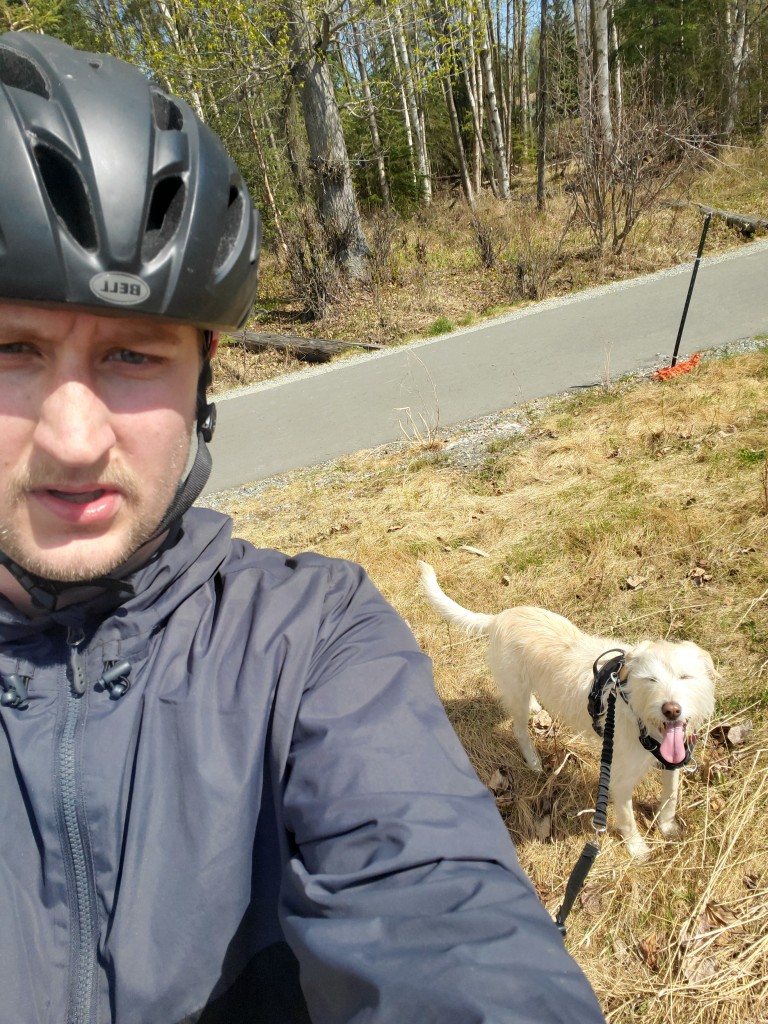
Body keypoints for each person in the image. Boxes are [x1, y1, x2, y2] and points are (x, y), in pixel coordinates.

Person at [0, 30, 606, 1024]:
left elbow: (442, 913)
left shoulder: (311, 642)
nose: (75, 439)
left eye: (132, 358)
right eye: (14, 349)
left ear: (203, 381)